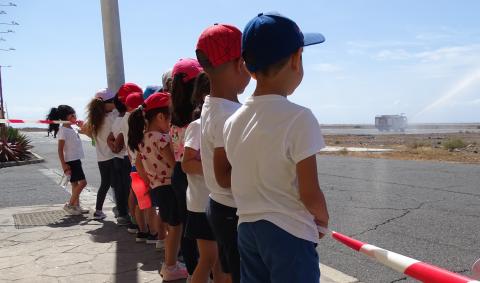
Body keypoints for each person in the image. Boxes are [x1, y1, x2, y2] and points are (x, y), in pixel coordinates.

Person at [223, 12, 330, 283]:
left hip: (247, 230)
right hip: (289, 234)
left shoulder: (233, 121)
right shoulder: (300, 118)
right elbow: (309, 191)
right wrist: (322, 218)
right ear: (296, 59)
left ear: (247, 66)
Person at [195, 23, 251, 283]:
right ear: (240, 63)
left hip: (217, 206)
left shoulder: (211, 105)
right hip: (233, 212)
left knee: (230, 270)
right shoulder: (230, 115)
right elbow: (224, 176)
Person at [128, 92, 188, 281]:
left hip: (158, 187)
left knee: (172, 226)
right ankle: (170, 265)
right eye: (170, 118)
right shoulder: (161, 138)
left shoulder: (144, 138)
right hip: (170, 185)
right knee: (176, 227)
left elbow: (138, 164)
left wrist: (149, 181)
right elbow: (174, 163)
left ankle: (170, 263)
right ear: (161, 117)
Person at [183, 73, 225, 283]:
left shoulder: (221, 121)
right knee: (208, 258)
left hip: (216, 203)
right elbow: (186, 163)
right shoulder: (197, 125)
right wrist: (213, 167)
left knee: (220, 262)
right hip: (201, 204)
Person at [170, 58, 203, 277]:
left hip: (178, 173)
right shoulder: (198, 115)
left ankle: (193, 270)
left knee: (188, 226)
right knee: (202, 226)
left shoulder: (173, 112)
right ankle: (205, 270)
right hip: (194, 174)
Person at [84, 88, 120, 221]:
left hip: (101, 158)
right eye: (113, 101)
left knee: (104, 184)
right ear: (105, 104)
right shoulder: (112, 117)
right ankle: (121, 210)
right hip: (113, 156)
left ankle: (98, 210)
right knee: (118, 185)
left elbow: (89, 134)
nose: (115, 103)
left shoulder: (95, 121)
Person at [51, 105, 87, 215]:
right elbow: (60, 149)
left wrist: (82, 126)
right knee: (83, 183)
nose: (74, 116)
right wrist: (64, 165)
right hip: (71, 161)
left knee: (75, 184)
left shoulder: (73, 128)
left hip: (76, 159)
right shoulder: (63, 130)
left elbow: (86, 132)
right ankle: (70, 205)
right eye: (72, 115)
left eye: (75, 114)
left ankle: (77, 206)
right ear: (64, 117)